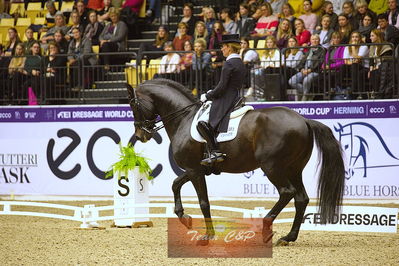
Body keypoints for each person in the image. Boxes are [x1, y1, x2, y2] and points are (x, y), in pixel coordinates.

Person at [198, 34, 245, 165]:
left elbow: (222, 87)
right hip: (235, 95)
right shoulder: (240, 62)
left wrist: (207, 95)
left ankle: (214, 152)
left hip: (226, 98)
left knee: (202, 122)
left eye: (223, 47)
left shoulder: (229, 63)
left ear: (229, 47)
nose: (222, 49)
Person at [288, 34, 324, 100]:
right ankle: (308, 93)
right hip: (304, 70)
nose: (314, 41)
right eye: (313, 39)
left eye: (316, 39)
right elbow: (302, 61)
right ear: (310, 41)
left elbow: (320, 63)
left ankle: (304, 96)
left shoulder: (322, 50)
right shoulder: (308, 50)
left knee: (306, 79)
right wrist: (301, 69)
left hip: (315, 71)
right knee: (291, 81)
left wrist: (310, 70)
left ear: (319, 40)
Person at [368, 29, 394, 98]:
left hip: (385, 69)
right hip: (376, 68)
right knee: (366, 73)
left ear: (378, 36)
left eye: (372, 36)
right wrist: (370, 69)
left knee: (375, 73)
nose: (370, 38)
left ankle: (378, 92)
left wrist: (375, 68)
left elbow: (386, 61)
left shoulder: (386, 46)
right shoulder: (372, 46)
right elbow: (371, 60)